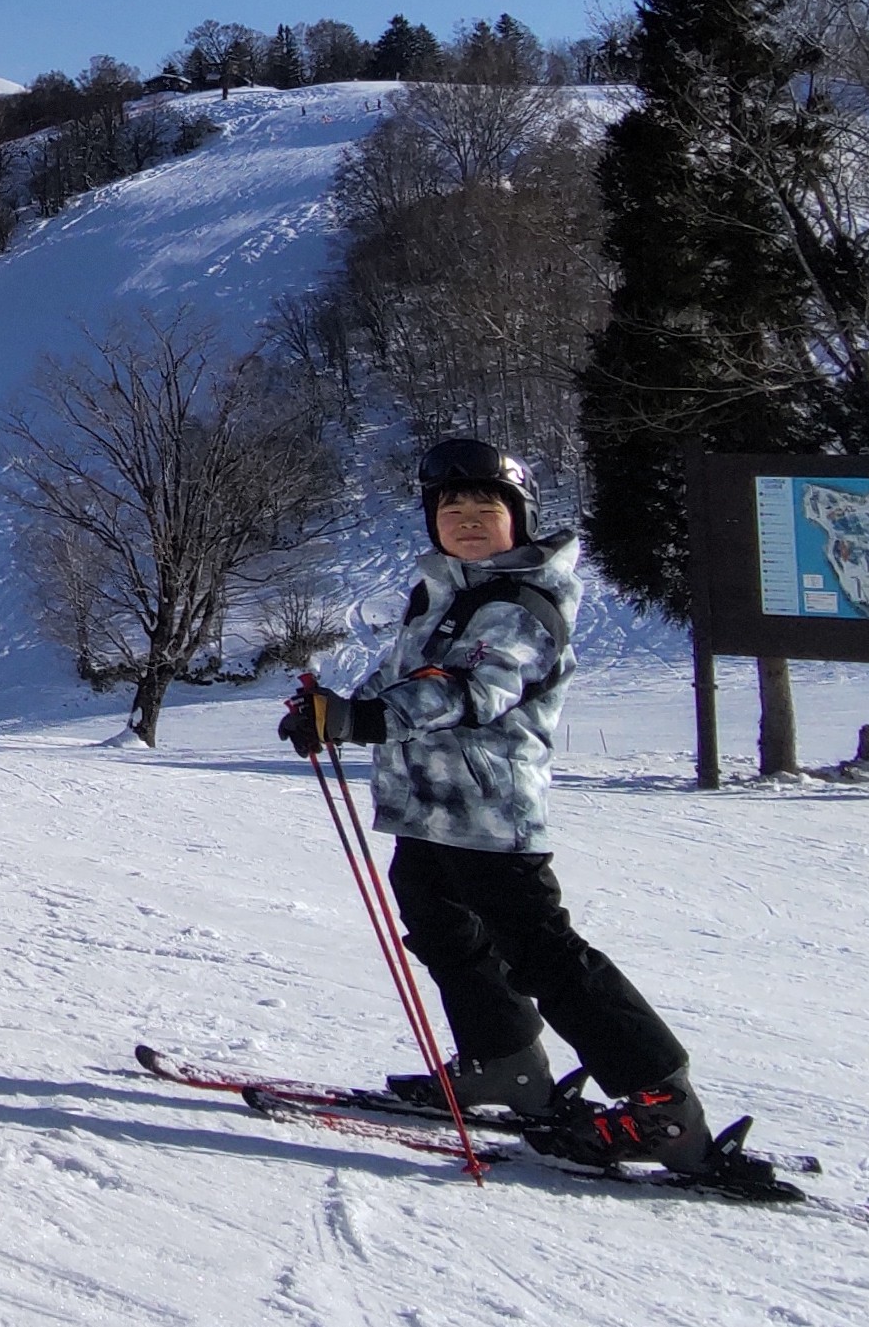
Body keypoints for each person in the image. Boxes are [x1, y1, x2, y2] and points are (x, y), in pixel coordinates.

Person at [277, 437, 715, 1172]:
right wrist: (327, 710)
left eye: (487, 504)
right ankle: (504, 1060)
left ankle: (662, 1104)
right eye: (451, 505)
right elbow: (408, 678)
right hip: (429, 813)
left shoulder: (518, 603)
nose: (468, 517)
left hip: (491, 816)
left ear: (519, 517)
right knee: (443, 927)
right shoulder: (447, 593)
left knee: (545, 954)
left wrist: (359, 718)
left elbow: (469, 688)